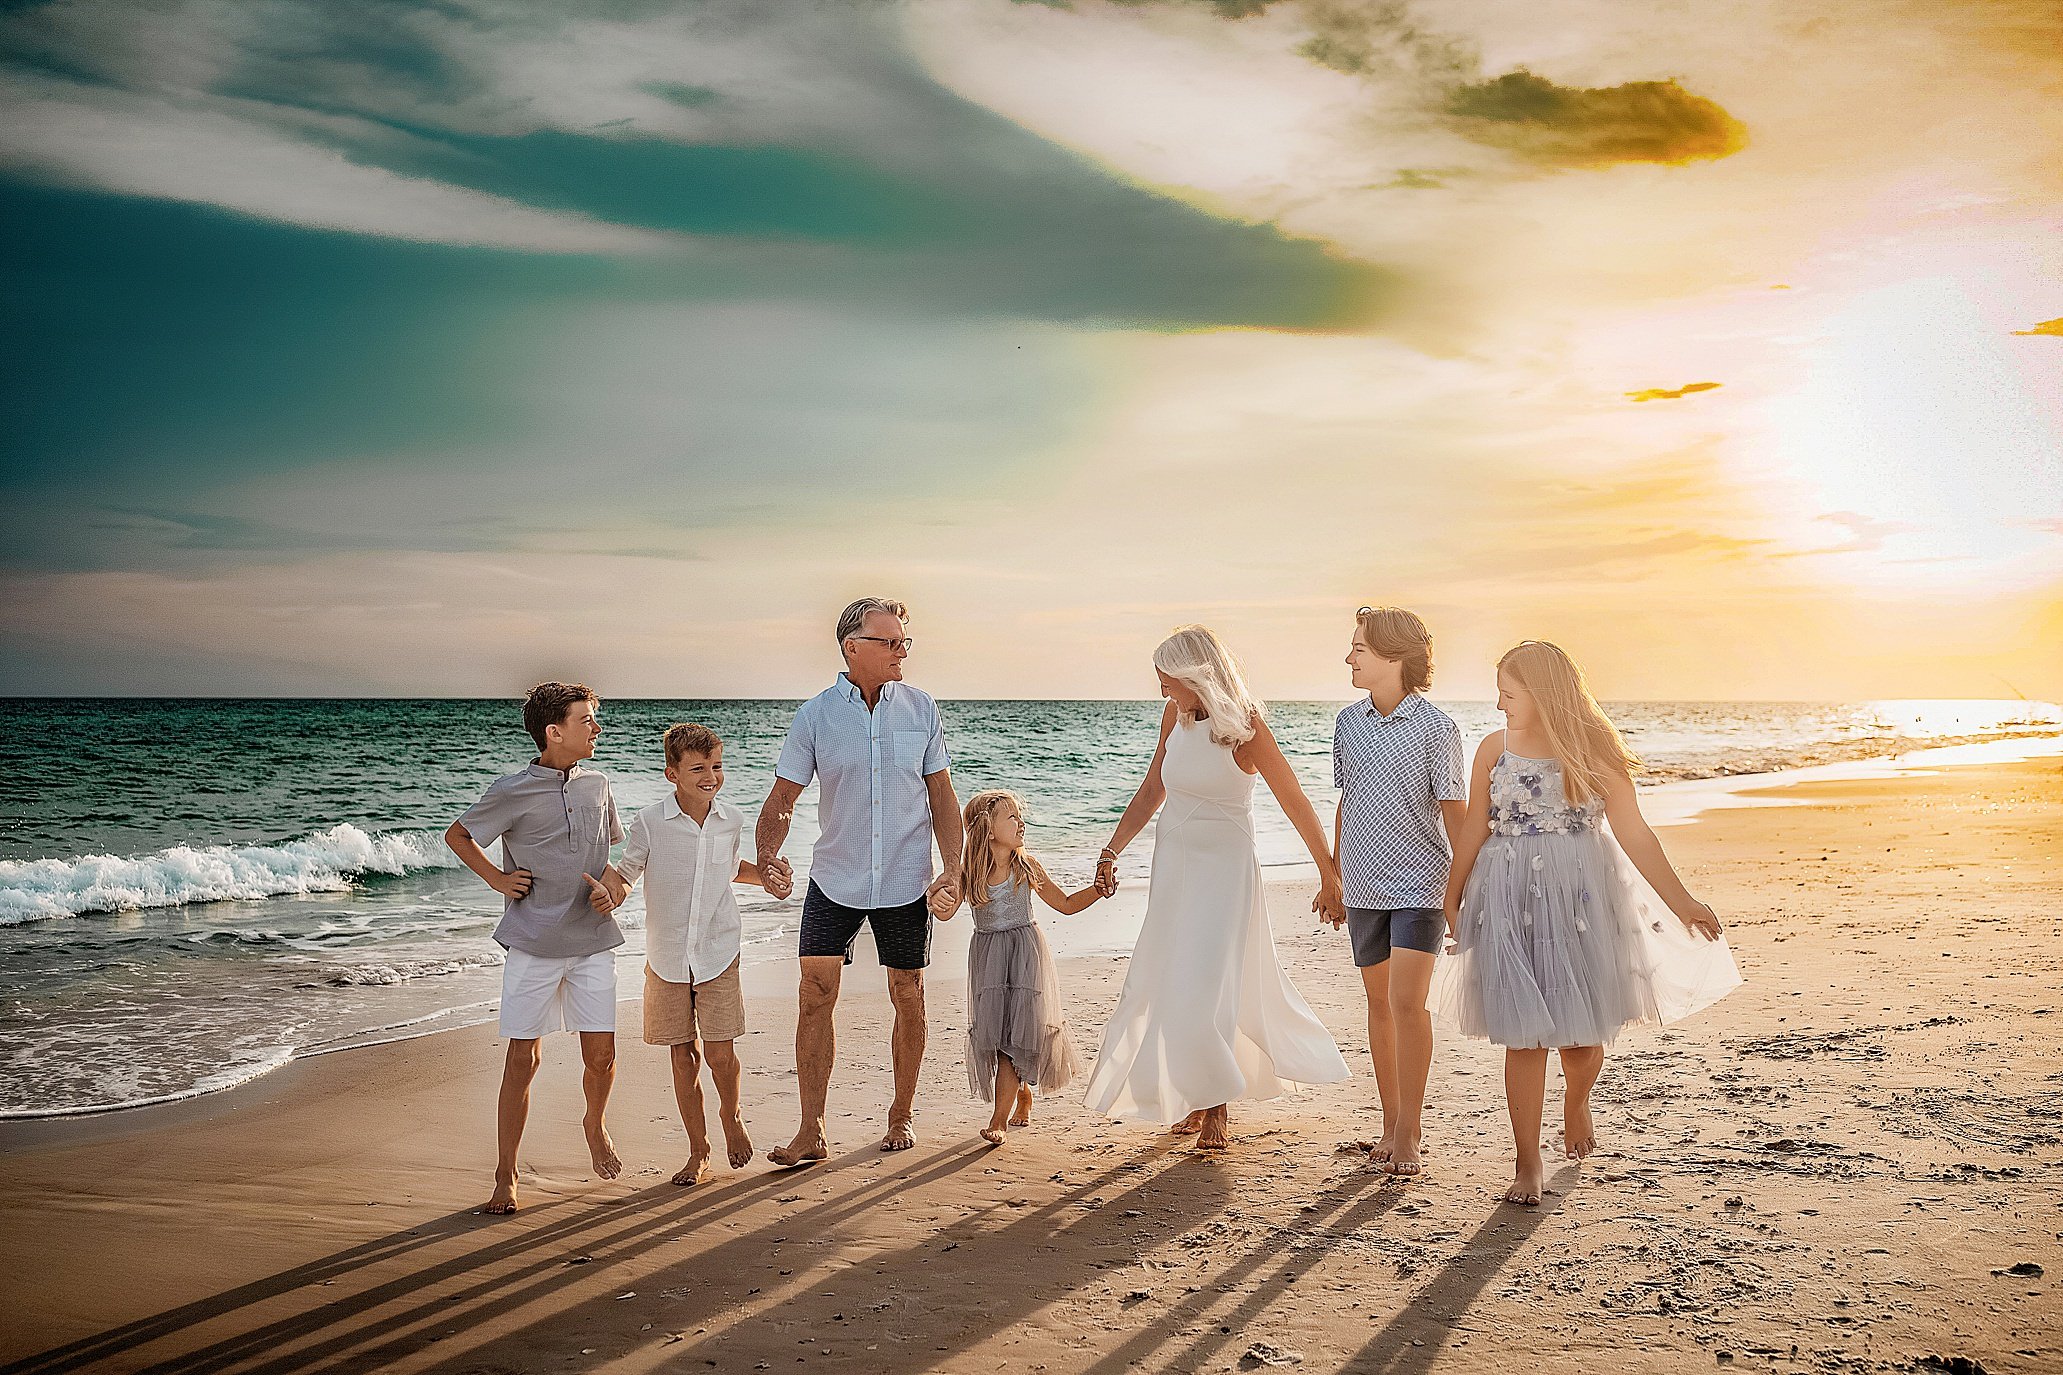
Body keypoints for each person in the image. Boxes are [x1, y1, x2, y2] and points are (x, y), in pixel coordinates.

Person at [1434, 640, 1741, 1206]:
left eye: (1510, 694)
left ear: (1544, 695)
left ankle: (1577, 1100)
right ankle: (1527, 1159)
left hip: (1580, 897)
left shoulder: (1594, 752)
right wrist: (1452, 896)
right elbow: (1475, 824)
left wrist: (1684, 902)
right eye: (1499, 693)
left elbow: (1635, 833)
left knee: (1580, 1040)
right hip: (1506, 896)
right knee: (1522, 1034)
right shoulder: (1491, 750)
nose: (1500, 705)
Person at [1083, 625, 1352, 1151]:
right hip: (1175, 865)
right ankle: (1197, 1091)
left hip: (1226, 871)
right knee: (1171, 978)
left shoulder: (1246, 728)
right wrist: (1112, 848)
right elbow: (1151, 790)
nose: (1162, 690)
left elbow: (1294, 798)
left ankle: (1216, 1106)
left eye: (1167, 680)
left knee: (1209, 982)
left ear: (1195, 675)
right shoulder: (1175, 718)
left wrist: (1328, 870)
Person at [755, 598, 964, 1164]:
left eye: (905, 642)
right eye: (890, 641)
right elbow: (781, 800)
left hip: (905, 878)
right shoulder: (816, 715)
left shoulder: (921, 708)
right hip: (835, 876)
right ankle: (811, 1130)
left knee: (908, 994)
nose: (902, 651)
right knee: (814, 995)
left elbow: (941, 795)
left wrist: (954, 868)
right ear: (853, 647)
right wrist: (769, 856)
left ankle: (901, 1114)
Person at [444, 682, 625, 1215]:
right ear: (554, 731)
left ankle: (594, 1121)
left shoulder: (598, 785)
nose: (596, 728)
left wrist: (613, 892)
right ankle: (506, 1173)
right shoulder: (511, 790)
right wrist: (498, 881)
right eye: (586, 720)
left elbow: (607, 862)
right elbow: (458, 836)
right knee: (523, 1059)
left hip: (592, 942)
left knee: (603, 1054)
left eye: (595, 719)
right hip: (532, 943)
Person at [592, 724, 790, 1187]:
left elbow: (731, 870)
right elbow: (626, 875)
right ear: (671, 773)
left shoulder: (732, 820)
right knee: (683, 1057)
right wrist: (609, 895)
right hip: (666, 957)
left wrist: (768, 878)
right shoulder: (649, 822)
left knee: (721, 1054)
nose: (710, 776)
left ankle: (732, 1114)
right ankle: (698, 1151)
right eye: (698, 768)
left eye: (717, 766)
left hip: (719, 950)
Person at [1327, 606, 1467, 1177]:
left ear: (1394, 657)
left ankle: (1410, 1129)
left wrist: (1462, 894)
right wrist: (1331, 876)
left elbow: (1456, 815)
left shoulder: (1438, 728)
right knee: (1379, 1006)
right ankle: (1388, 1122)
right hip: (1361, 884)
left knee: (1409, 1004)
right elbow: (1346, 802)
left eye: (1359, 647)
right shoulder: (1347, 723)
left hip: (1420, 886)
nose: (1349, 657)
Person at [945, 789, 1098, 1146]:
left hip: (1025, 957)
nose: (1021, 823)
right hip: (988, 962)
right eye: (1011, 817)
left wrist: (1098, 890)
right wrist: (934, 899)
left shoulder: (1025, 866)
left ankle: (998, 1119)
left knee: (1017, 1039)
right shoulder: (970, 874)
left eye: (1019, 816)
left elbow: (1066, 904)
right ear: (987, 828)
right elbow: (946, 911)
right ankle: (1021, 1094)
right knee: (999, 1035)